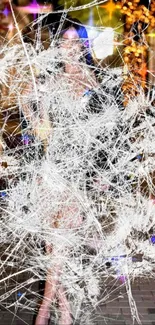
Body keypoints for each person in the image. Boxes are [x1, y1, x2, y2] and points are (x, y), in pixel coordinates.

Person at [34, 19, 98, 325]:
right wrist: (33, 110)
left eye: (74, 42)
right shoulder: (48, 82)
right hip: (51, 170)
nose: (68, 48)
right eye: (63, 42)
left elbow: (105, 131)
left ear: (82, 46)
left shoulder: (94, 82)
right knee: (53, 246)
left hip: (78, 173)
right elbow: (42, 132)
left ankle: (44, 312)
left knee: (59, 242)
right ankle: (65, 312)